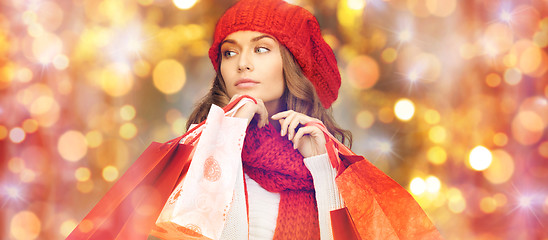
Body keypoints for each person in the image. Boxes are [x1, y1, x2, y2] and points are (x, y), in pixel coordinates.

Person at [180, 0, 441, 239]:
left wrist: (321, 168)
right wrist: (227, 136)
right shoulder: (193, 152)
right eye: (229, 52)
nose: (243, 63)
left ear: (292, 64)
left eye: (261, 49)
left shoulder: (325, 161)